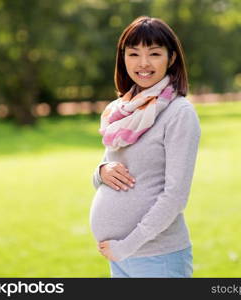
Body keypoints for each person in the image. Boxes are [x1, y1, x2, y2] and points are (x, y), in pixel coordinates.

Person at [89, 16, 201, 278]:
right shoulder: (123, 110)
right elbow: (106, 176)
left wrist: (126, 246)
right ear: (123, 57)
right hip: (121, 257)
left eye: (154, 53)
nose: (143, 63)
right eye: (134, 53)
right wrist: (101, 171)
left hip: (157, 258)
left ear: (171, 58)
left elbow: (175, 197)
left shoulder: (178, 113)